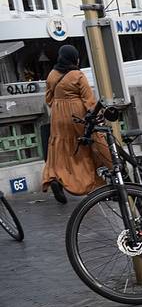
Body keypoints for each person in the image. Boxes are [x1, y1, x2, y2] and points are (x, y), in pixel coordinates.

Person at [41, 44, 110, 204]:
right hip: (77, 115)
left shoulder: (52, 75)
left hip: (58, 117)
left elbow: (48, 99)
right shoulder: (77, 75)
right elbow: (89, 100)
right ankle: (102, 175)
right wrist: (97, 115)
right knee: (87, 145)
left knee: (61, 151)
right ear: (74, 58)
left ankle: (56, 179)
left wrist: (60, 104)